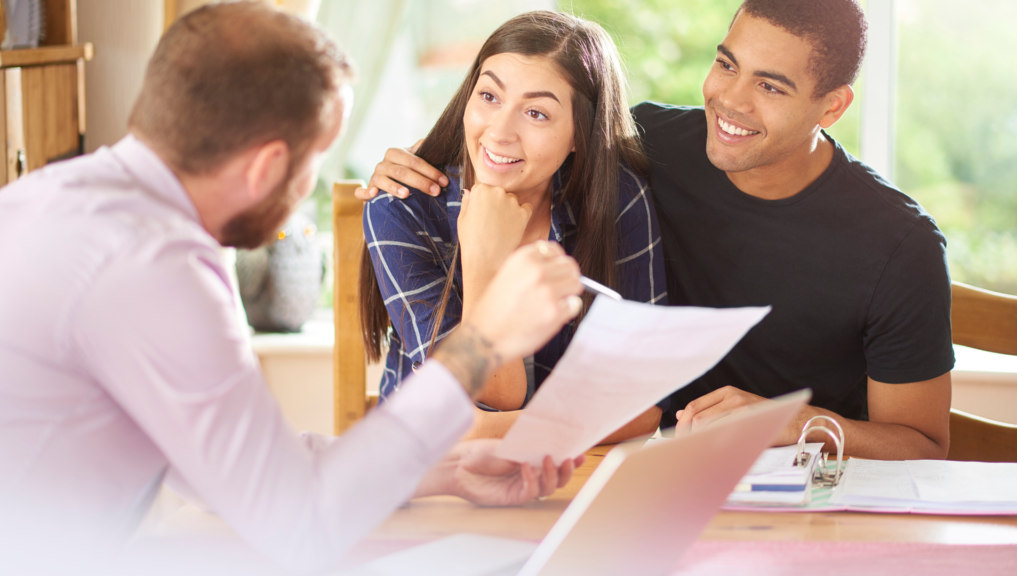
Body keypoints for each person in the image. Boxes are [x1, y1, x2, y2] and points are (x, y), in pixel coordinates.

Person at [0, 4, 585, 572]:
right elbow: (298, 526)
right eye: (315, 160)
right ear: (266, 166)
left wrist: (447, 470)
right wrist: (480, 343)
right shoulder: (156, 265)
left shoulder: (52, 198)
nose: (309, 184)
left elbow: (232, 472)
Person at [354, 0, 955, 461]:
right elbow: (514, 139)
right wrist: (438, 164)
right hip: (630, 470)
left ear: (832, 107)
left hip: (793, 488)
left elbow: (926, 445)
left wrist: (791, 422)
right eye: (726, 64)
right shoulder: (647, 150)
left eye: (770, 86)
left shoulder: (899, 246)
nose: (731, 101)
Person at [359, 11, 668, 441]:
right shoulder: (403, 208)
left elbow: (644, 406)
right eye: (489, 97)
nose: (499, 132)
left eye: (537, 113)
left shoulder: (615, 200)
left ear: (581, 133)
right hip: (427, 477)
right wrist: (486, 258)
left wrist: (489, 429)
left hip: (566, 472)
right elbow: (491, 394)